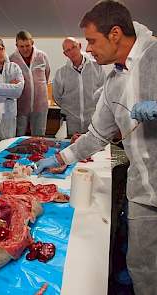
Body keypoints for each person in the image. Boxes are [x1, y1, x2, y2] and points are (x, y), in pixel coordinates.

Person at [35, 1, 157, 294]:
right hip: (142, 189)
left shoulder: (155, 56)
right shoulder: (113, 79)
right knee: (142, 266)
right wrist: (61, 158)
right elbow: (97, 134)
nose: (88, 48)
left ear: (115, 33)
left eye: (91, 40)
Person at [53, 37, 106, 136]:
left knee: (94, 148)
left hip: (93, 120)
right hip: (71, 123)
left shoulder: (97, 67)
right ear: (65, 54)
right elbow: (57, 97)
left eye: (74, 47)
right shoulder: (61, 73)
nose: (72, 52)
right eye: (68, 50)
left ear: (80, 46)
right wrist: (70, 111)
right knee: (72, 147)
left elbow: (104, 91)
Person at [10, 30, 50, 136]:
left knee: (39, 137)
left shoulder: (42, 56)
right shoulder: (12, 60)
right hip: (21, 106)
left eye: (27, 45)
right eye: (21, 46)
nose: (25, 49)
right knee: (19, 136)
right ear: (17, 45)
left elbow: (47, 75)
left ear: (32, 42)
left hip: (40, 105)